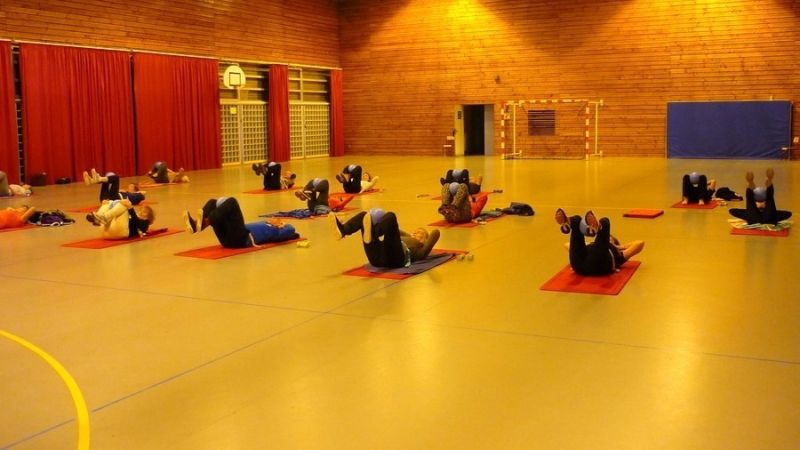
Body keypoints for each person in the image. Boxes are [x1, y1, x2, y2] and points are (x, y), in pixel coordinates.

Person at [330, 208, 441, 268]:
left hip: (395, 259)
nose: (416, 232)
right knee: (364, 215)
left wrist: (423, 240)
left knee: (391, 216)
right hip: (377, 258)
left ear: (425, 240)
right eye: (415, 231)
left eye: (421, 233)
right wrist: (410, 235)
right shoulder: (404, 237)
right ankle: (343, 230)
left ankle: (373, 234)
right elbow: (393, 228)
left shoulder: (420, 249)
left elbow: (436, 233)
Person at [183, 197, 299, 249]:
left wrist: (283, 225)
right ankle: (197, 225)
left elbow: (291, 230)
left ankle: (206, 221)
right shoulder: (265, 223)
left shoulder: (278, 230)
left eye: (277, 219)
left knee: (232, 202)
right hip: (229, 237)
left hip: (242, 240)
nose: (274, 218)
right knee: (213, 202)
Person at [555, 208, 644, 276]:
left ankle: (598, 226)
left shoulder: (618, 255)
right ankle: (567, 223)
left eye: (610, 238)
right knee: (577, 220)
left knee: (605, 221)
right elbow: (568, 245)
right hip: (578, 265)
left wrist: (619, 247)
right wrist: (587, 243)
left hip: (598, 265)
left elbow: (640, 243)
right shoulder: (593, 246)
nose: (609, 238)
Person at [86, 199, 155, 240]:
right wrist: (111, 203)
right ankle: (98, 217)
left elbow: (138, 223)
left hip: (122, 233)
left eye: (145, 212)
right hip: (107, 232)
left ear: (149, 216)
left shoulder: (145, 223)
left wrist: (130, 208)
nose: (141, 212)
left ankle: (104, 217)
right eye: (141, 210)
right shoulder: (135, 216)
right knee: (106, 202)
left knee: (125, 204)